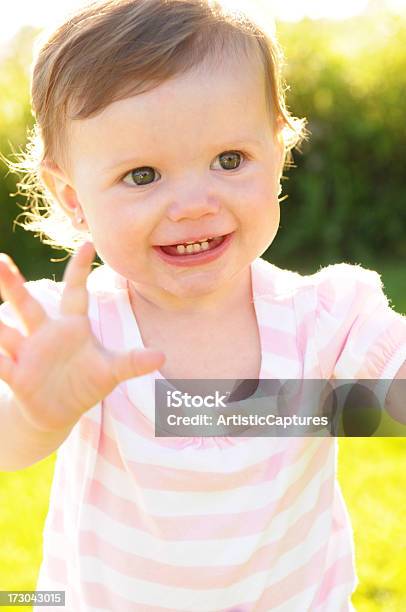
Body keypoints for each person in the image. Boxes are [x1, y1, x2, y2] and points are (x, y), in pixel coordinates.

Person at [0, 0, 404, 610]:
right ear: (73, 196)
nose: (193, 203)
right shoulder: (73, 332)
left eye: (229, 160)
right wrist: (42, 411)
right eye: (142, 175)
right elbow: (11, 445)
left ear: (276, 154)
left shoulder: (324, 318)